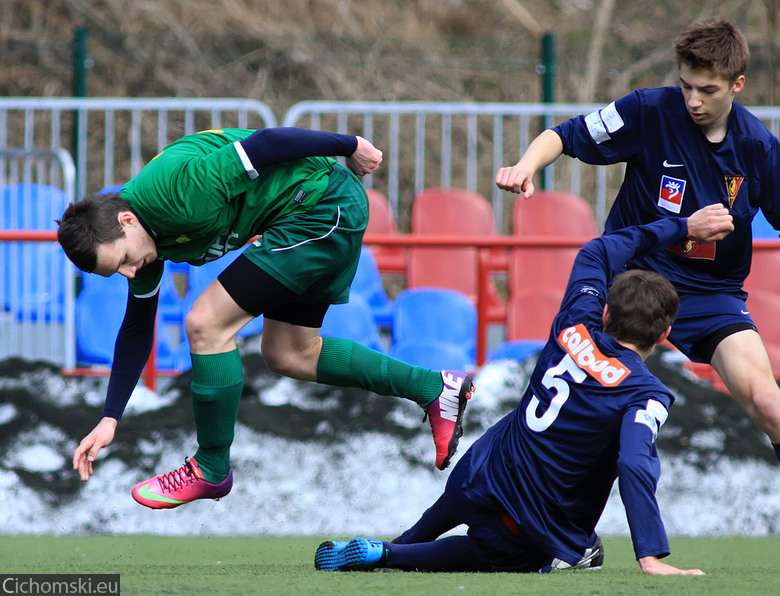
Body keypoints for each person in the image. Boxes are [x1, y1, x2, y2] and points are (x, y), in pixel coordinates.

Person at [494, 17, 780, 574]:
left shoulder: (758, 149)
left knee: (769, 400)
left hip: (713, 294)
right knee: (594, 409)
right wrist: (526, 166)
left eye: (709, 90)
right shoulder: (650, 110)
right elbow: (567, 133)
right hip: (635, 282)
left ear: (738, 84)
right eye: (686, 86)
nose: (694, 100)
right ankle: (569, 539)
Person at [57, 127, 474, 509]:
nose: (132, 272)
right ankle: (434, 387)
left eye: (126, 260)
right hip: (299, 219)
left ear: (125, 221)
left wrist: (350, 145)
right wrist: (110, 417)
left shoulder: (177, 190)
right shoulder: (141, 243)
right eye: (120, 272)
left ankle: (211, 467)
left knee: (205, 322)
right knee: (290, 354)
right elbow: (135, 328)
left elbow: (267, 143)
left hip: (322, 205)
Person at [315, 206, 734, 575]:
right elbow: (634, 463)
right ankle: (389, 553)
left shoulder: (576, 321)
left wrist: (683, 227)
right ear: (664, 334)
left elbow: (598, 251)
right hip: (520, 527)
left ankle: (395, 543)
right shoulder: (646, 393)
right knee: (484, 555)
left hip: (479, 472)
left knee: (436, 522)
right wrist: (650, 555)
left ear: (605, 312)